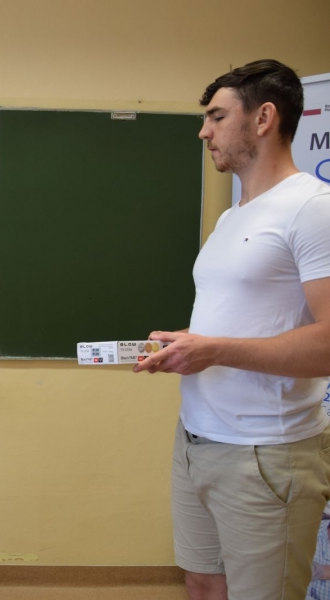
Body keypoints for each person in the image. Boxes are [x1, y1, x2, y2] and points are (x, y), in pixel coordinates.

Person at [135, 59, 330, 600]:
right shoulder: (232, 216)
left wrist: (214, 349)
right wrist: (187, 342)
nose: (204, 131)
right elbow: (245, 319)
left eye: (217, 117)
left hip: (265, 453)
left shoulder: (312, 209)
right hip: (197, 438)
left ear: (264, 118)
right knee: (202, 583)